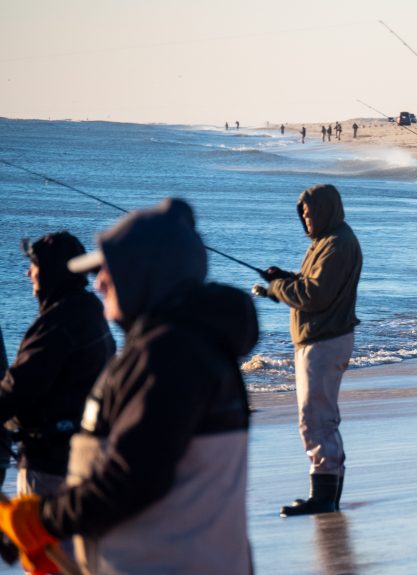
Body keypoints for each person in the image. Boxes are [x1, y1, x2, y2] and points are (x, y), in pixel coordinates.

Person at [0, 198, 258, 574]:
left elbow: (132, 477)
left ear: (142, 274)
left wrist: (44, 518)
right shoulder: (186, 346)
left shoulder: (169, 356)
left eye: (107, 271)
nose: (99, 283)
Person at [256, 184, 362, 516]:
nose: (306, 218)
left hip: (324, 340)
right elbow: (310, 284)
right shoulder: (328, 241)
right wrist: (283, 280)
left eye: (310, 211)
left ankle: (324, 496)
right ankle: (328, 493)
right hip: (320, 338)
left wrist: (278, 288)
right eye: (302, 213)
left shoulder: (336, 244)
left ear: (326, 210)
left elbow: (315, 296)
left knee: (315, 418)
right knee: (320, 416)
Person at [1, 233, 115, 507]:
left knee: (43, 547)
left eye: (35, 265)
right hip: (79, 458)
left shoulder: (58, 325)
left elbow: (17, 390)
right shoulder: (89, 310)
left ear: (51, 272)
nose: (28, 272)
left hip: (49, 467)